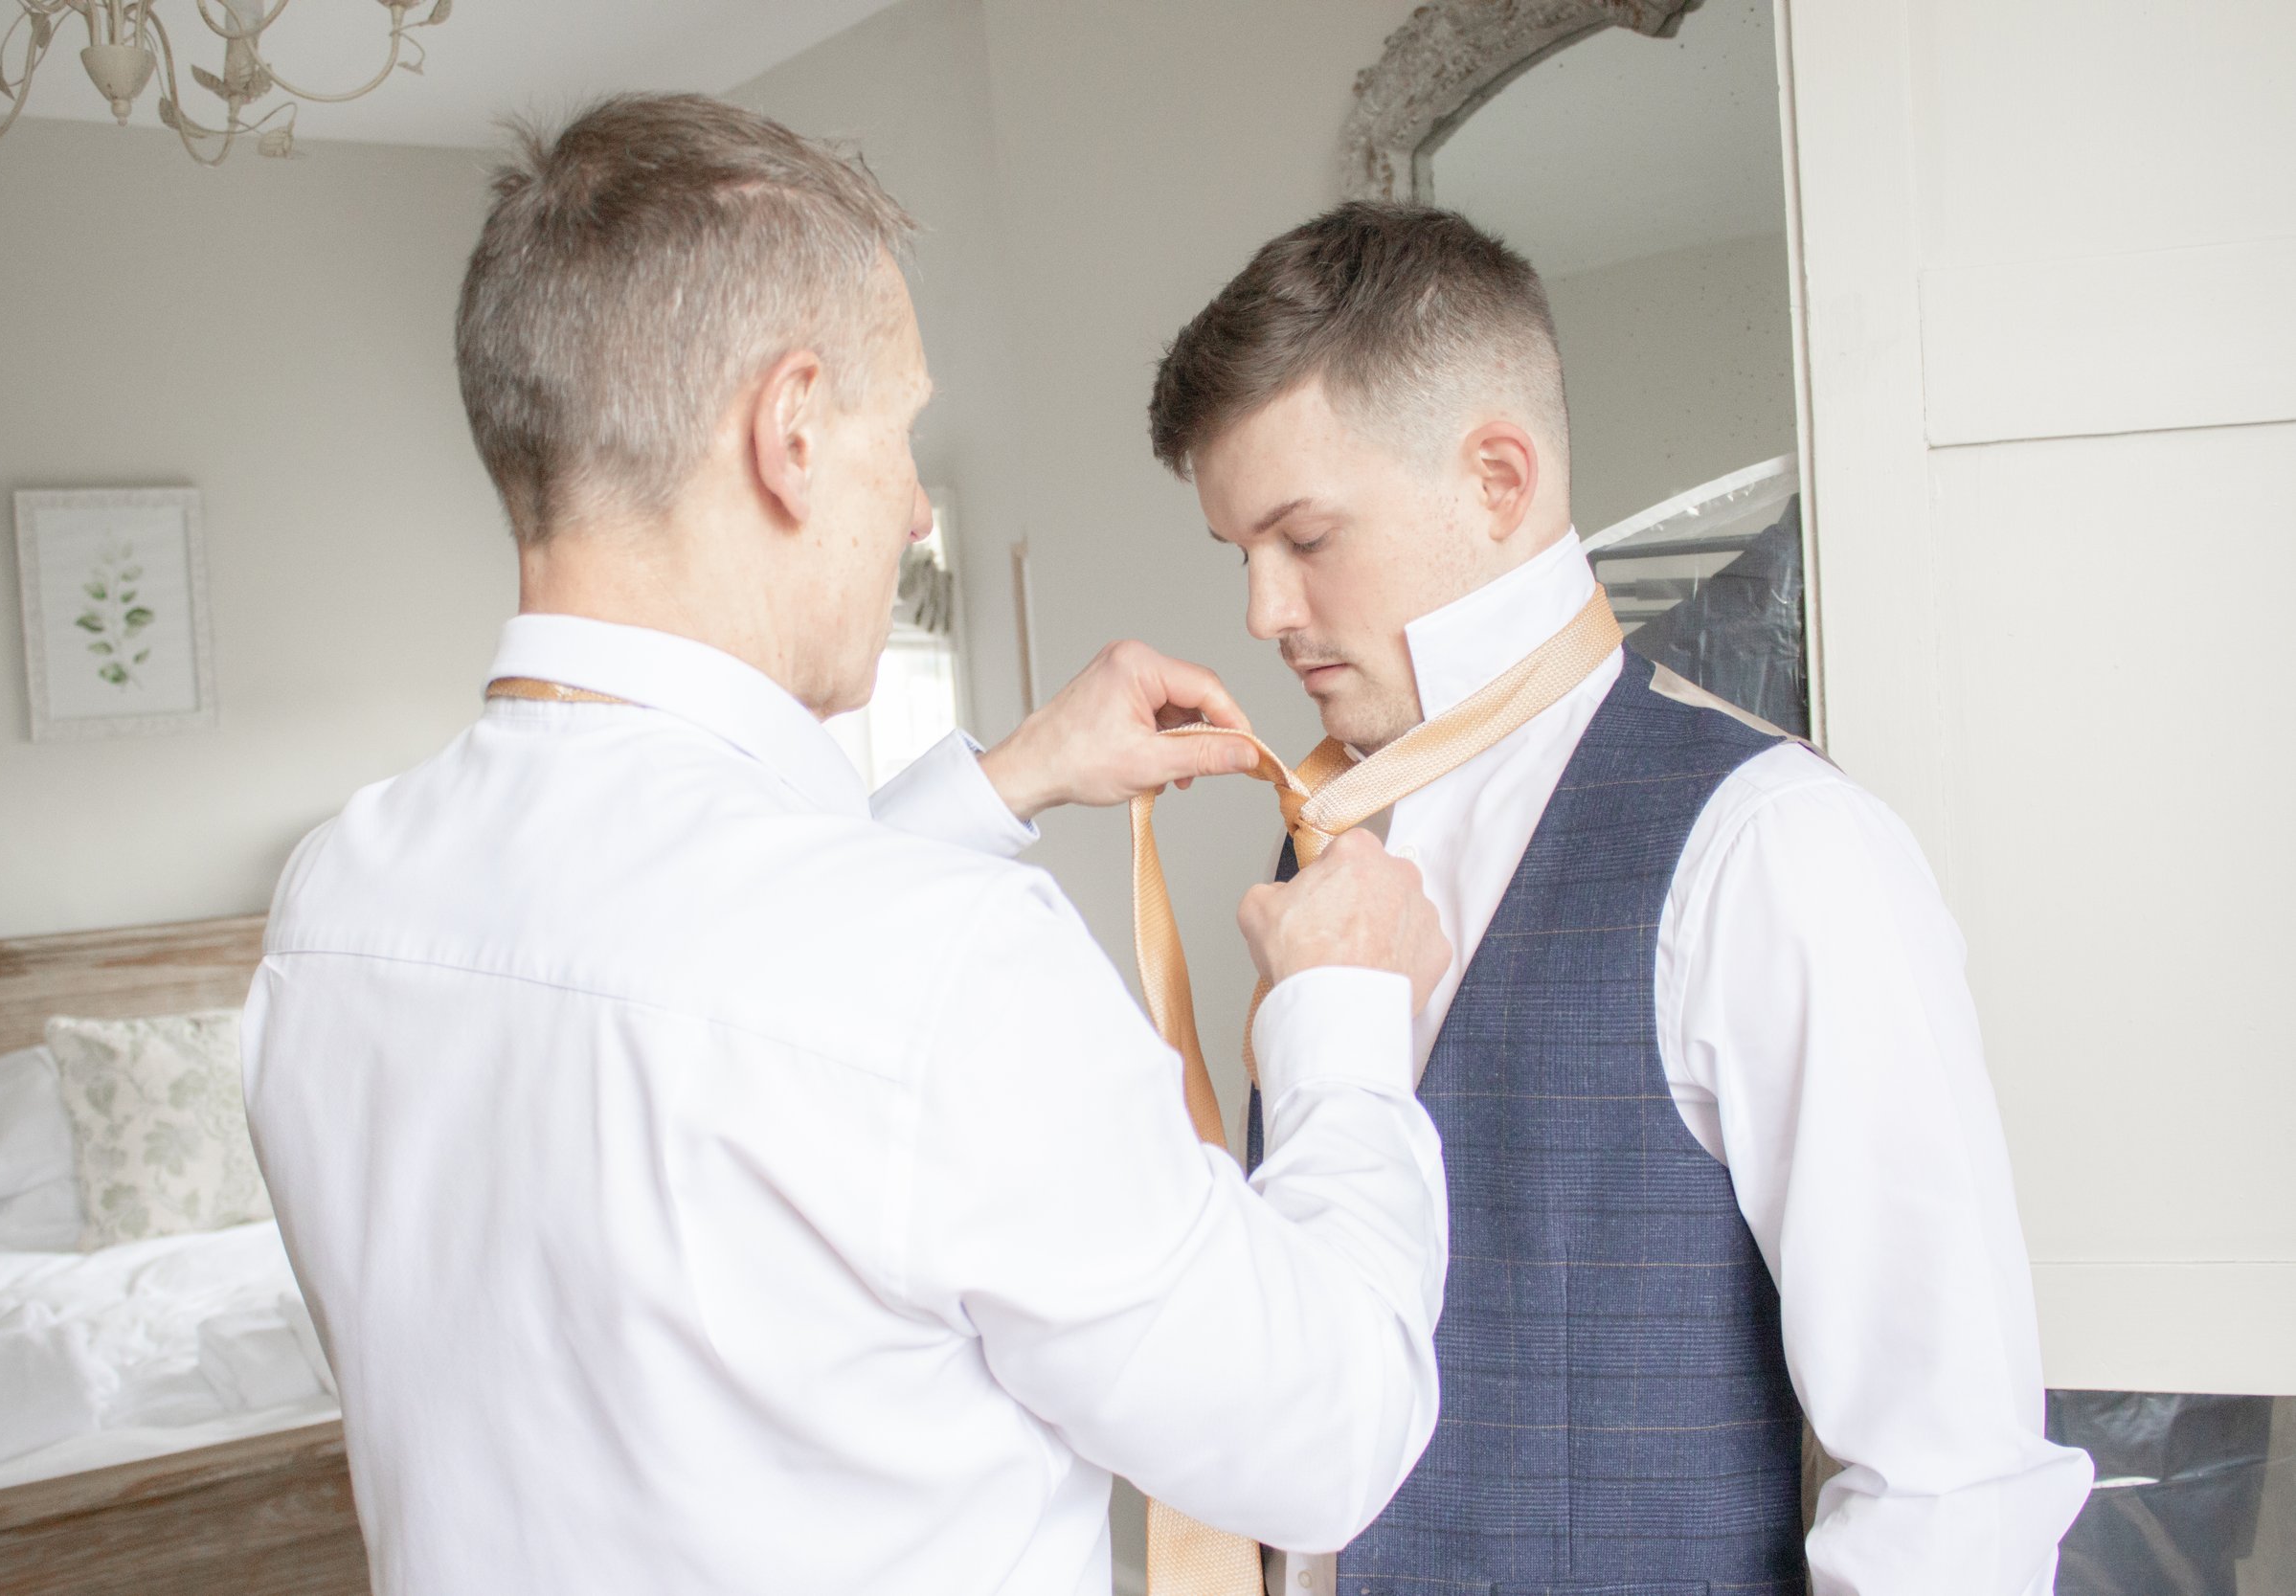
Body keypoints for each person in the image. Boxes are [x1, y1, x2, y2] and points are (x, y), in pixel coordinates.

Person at [241, 99, 1453, 1596]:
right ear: (794, 432)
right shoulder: (949, 979)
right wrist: (1343, 1017)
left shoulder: (336, 902)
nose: (920, 507)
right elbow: (1324, 1441)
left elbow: (719, 977)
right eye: (906, 432)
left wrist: (1003, 783)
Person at [1147, 202, 2096, 1596]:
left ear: (1498, 480)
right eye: (1241, 553)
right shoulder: (1327, 854)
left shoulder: (1773, 848)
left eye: (1304, 537)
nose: (1263, 612)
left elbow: (1948, 1487)